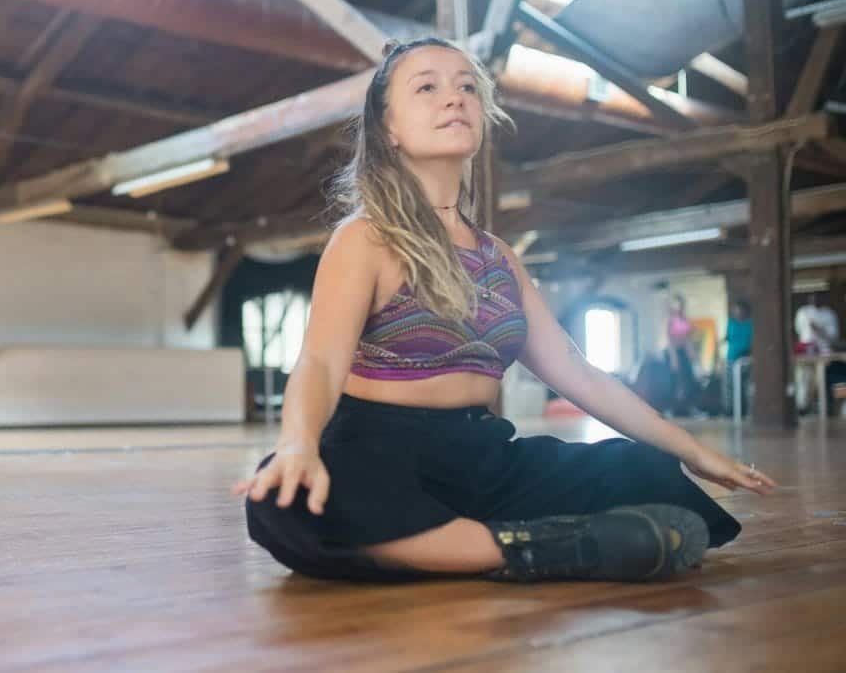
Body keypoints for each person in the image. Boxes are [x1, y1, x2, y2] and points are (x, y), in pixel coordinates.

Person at [232, 38, 775, 585]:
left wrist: (693, 451)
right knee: (285, 502)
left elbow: (579, 373)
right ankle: (533, 548)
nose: (454, 98)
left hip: (483, 453)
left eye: (467, 86)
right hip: (380, 450)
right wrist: (298, 444)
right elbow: (321, 362)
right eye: (427, 87)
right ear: (389, 128)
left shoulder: (501, 259)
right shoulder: (366, 238)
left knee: (643, 469)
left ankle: (488, 542)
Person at [794, 292, 841, 413]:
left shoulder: (829, 314)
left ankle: (825, 408)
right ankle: (802, 407)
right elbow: (799, 331)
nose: (814, 300)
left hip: (824, 353)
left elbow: (833, 338)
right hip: (806, 352)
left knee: (821, 379)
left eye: (817, 297)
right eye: (811, 298)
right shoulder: (803, 312)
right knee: (803, 376)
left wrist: (818, 330)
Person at [663, 294, 701, 417]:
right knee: (673, 381)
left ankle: (691, 408)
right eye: (676, 303)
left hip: (685, 352)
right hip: (674, 353)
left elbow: (687, 339)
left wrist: (693, 355)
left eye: (680, 303)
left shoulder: (685, 320)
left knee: (690, 380)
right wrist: (674, 358)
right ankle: (671, 409)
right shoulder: (670, 320)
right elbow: (670, 340)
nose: (678, 306)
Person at [722, 299, 753, 414]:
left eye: (739, 310)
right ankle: (730, 411)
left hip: (745, 360)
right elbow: (727, 337)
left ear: (744, 311)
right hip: (731, 359)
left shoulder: (750, 323)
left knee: (746, 387)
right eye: (735, 310)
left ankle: (746, 411)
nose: (737, 312)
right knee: (729, 387)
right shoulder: (731, 322)